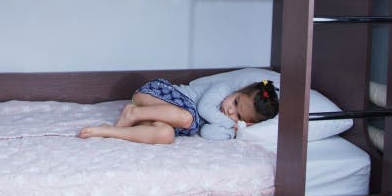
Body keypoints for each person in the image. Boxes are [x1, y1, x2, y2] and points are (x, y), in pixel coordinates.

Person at [78, 68, 279, 144]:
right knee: (188, 119)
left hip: (165, 118)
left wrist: (234, 131)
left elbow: (208, 132)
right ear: (238, 91)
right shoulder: (222, 89)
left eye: (238, 116)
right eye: (235, 102)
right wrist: (230, 122)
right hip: (156, 96)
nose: (229, 111)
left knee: (166, 136)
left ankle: (112, 131)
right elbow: (204, 110)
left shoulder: (225, 125)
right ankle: (133, 112)